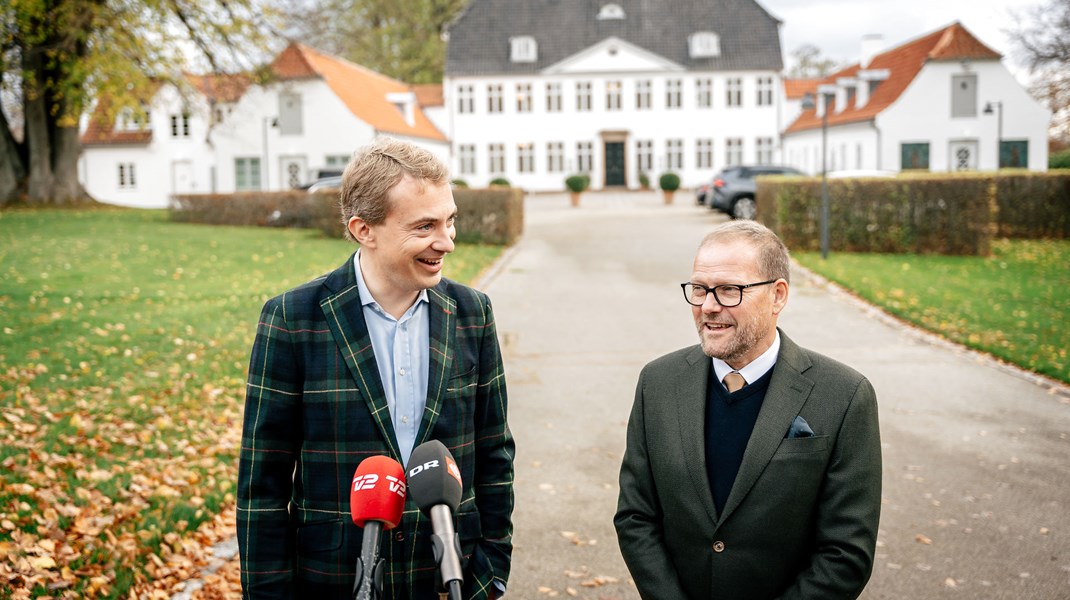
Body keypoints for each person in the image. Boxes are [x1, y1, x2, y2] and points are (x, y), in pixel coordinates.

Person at [237, 137, 514, 599]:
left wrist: (490, 572)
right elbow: (262, 482)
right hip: (334, 581)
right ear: (364, 229)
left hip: (449, 579)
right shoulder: (292, 318)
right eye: (425, 226)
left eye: (450, 221)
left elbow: (494, 455)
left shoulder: (472, 312)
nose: (446, 242)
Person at [614, 220, 882, 599]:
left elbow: (846, 552)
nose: (708, 306)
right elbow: (636, 516)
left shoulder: (844, 395)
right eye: (699, 289)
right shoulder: (657, 383)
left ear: (778, 295)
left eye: (729, 290)